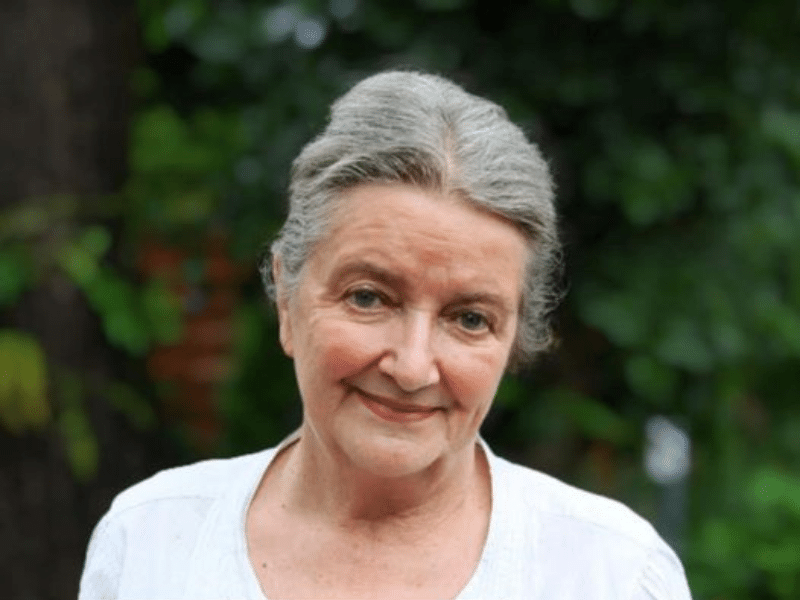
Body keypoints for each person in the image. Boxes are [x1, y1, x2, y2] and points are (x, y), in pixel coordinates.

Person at [78, 70, 692, 599]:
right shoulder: (153, 542)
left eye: (470, 318)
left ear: (514, 341)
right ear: (286, 298)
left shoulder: (608, 573)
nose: (412, 366)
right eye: (369, 297)